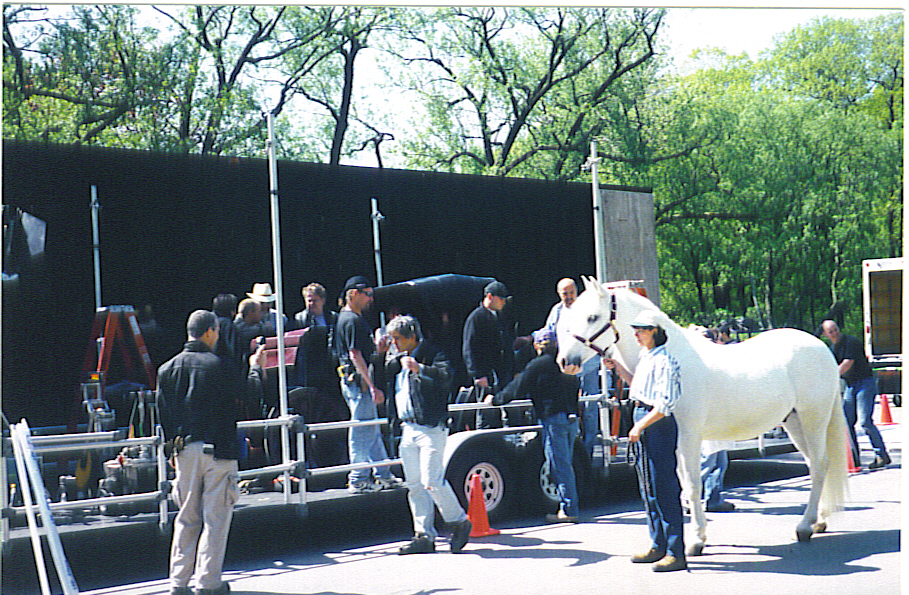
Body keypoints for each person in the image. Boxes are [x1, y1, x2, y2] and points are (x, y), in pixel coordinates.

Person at [157, 310, 266, 595]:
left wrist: (172, 448)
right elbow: (250, 394)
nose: (217, 335)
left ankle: (178, 583)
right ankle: (207, 583)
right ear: (208, 332)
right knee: (215, 519)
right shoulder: (221, 365)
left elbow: (164, 415)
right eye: (216, 330)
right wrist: (256, 367)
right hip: (218, 449)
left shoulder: (166, 369)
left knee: (186, 517)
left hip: (184, 450)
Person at [373, 315, 472, 554]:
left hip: (431, 427)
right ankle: (424, 535)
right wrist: (379, 354)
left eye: (397, 338)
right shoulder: (396, 359)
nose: (394, 343)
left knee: (432, 481)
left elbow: (447, 376)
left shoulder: (433, 353)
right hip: (408, 427)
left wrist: (421, 369)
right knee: (415, 484)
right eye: (392, 338)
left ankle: (459, 521)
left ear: (412, 337)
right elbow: (381, 378)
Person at [603, 310, 686, 572]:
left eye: (642, 329)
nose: (637, 333)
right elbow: (638, 387)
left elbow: (665, 404)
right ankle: (657, 543)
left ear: (655, 332)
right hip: (644, 416)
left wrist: (639, 425)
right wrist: (617, 369)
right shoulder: (647, 357)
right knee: (648, 486)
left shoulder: (666, 361)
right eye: (636, 329)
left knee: (664, 486)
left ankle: (675, 551)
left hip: (656, 422)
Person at [486, 328, 581, 524]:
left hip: (553, 419)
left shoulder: (538, 365)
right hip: (571, 419)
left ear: (537, 345)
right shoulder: (565, 362)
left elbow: (517, 387)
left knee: (559, 465)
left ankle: (569, 509)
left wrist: (495, 400)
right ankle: (570, 504)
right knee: (566, 464)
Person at [335, 275, 400, 493]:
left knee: (369, 427)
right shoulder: (352, 320)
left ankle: (383, 474)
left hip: (352, 380)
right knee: (362, 428)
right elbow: (355, 355)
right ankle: (358, 478)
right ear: (354, 294)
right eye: (367, 293)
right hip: (358, 381)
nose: (370, 298)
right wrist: (372, 384)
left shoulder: (347, 319)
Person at [545, 277, 603, 457]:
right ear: (559, 294)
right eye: (565, 294)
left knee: (590, 407)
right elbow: (548, 331)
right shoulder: (557, 311)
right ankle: (571, 450)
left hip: (588, 365)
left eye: (572, 293)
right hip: (565, 368)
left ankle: (588, 450)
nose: (569, 297)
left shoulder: (585, 309)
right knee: (567, 408)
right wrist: (534, 339)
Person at [822, 319, 890, 470]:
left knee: (865, 421)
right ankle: (853, 458)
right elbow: (828, 366)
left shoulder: (850, 342)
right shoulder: (832, 349)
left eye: (835, 329)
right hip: (850, 386)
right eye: (830, 331)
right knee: (847, 422)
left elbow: (847, 363)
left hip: (864, 383)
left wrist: (830, 378)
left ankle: (881, 455)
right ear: (826, 334)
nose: (834, 333)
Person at [462, 280, 515, 428]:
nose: (504, 302)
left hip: (502, 372)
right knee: (486, 410)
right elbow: (469, 348)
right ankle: (484, 440)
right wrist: (477, 374)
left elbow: (507, 344)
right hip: (486, 373)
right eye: (501, 298)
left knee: (504, 407)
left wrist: (514, 369)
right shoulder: (476, 317)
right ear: (490, 297)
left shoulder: (500, 317)